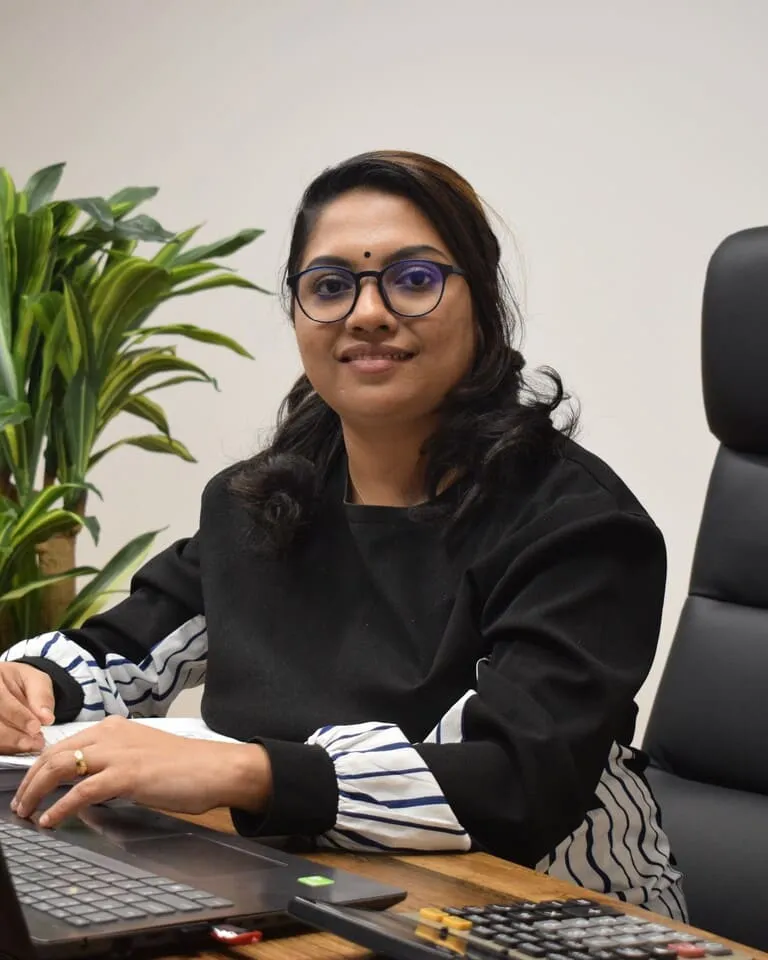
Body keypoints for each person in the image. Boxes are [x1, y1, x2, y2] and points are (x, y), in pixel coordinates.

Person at [0, 150, 686, 919]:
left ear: (483, 303)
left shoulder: (579, 527)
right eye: (330, 286)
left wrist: (246, 772)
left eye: (414, 278)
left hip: (557, 915)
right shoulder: (261, 503)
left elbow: (512, 781)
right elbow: (125, 650)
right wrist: (33, 693)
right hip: (313, 890)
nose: (366, 313)